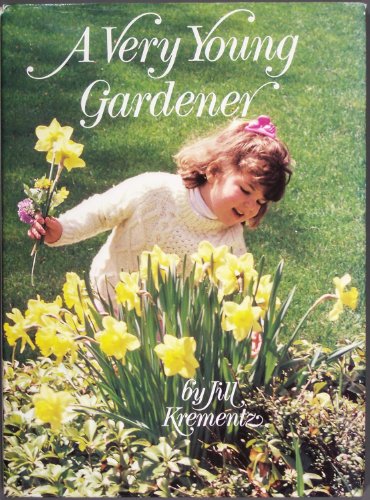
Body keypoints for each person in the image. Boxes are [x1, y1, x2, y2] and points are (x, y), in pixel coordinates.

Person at [28, 115, 292, 305]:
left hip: (168, 332)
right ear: (214, 170)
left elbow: (236, 292)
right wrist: (60, 230)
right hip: (110, 299)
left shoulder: (230, 239)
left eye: (260, 202)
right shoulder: (153, 190)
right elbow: (99, 212)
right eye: (246, 191)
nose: (250, 207)